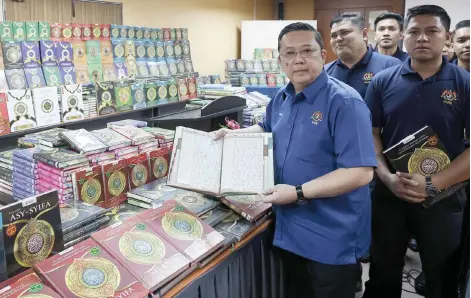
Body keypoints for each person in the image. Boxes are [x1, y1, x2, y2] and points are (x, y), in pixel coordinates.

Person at [215, 22, 377, 298]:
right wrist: (233, 136)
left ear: (323, 55)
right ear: (279, 60)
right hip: (289, 230)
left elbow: (360, 172)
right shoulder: (282, 96)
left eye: (307, 51)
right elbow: (267, 128)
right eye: (289, 54)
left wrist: (297, 192)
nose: (298, 59)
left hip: (330, 237)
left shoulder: (345, 102)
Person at [362, 5, 470, 298]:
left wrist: (434, 184)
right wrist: (385, 177)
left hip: (444, 195)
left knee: (442, 275)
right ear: (404, 36)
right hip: (391, 193)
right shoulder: (383, 81)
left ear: (446, 37)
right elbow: (371, 135)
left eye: (432, 31)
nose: (422, 38)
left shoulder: (465, 83)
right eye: (414, 31)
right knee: (383, 271)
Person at [325, 13, 402, 99]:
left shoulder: (391, 66)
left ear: (364, 34)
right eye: (333, 36)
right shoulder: (325, 72)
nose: (338, 39)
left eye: (345, 32)